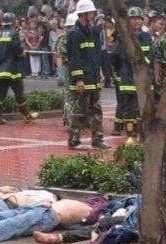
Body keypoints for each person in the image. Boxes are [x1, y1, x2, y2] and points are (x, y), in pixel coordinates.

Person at [0, 197, 108, 244]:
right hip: (37, 208)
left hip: (48, 217)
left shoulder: (100, 213)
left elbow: (99, 225)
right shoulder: (96, 203)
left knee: (6, 227)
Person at [66, 0, 108, 150]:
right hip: (82, 80)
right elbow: (74, 58)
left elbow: (95, 56)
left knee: (96, 111)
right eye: (91, 12)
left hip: (93, 78)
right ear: (83, 14)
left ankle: (97, 140)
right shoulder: (75, 34)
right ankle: (74, 140)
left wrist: (100, 72)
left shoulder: (92, 32)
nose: (93, 14)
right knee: (80, 112)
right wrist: (78, 79)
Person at [110, 6, 152, 143]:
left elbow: (151, 55)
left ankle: (143, 137)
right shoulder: (123, 38)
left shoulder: (146, 37)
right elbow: (115, 57)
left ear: (142, 20)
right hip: (128, 79)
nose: (136, 21)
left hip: (143, 79)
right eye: (133, 19)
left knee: (144, 110)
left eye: (138, 19)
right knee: (129, 110)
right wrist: (119, 72)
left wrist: (143, 65)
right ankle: (130, 137)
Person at [0, 12, 39, 125]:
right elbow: (17, 49)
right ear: (12, 23)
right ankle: (27, 116)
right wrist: (22, 54)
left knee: (0, 92)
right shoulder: (13, 33)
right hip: (12, 69)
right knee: (19, 92)